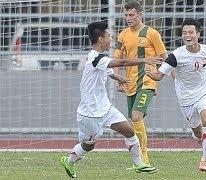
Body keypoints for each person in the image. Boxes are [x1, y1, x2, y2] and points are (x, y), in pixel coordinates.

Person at [60, 21, 160, 178]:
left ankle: (139, 164)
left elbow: (106, 70)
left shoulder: (99, 59)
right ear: (100, 39)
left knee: (129, 130)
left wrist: (117, 77)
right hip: (90, 113)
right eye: (108, 36)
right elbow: (123, 62)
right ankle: (69, 161)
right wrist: (144, 60)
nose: (110, 39)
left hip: (105, 108)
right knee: (88, 146)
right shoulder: (96, 58)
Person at [145, 19, 206, 172]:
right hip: (186, 97)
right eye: (184, 33)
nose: (187, 35)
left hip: (204, 91)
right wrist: (151, 74)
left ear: (198, 34)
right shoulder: (176, 56)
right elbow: (160, 76)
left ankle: (204, 160)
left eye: (191, 32)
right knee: (198, 132)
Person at [113, 1, 167, 170]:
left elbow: (164, 56)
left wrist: (159, 75)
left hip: (147, 82)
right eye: (126, 15)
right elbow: (117, 59)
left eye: (132, 15)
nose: (128, 18)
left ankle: (143, 156)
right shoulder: (122, 35)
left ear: (140, 14)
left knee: (136, 117)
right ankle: (138, 161)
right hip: (130, 83)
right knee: (135, 121)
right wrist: (117, 79)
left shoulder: (152, 34)